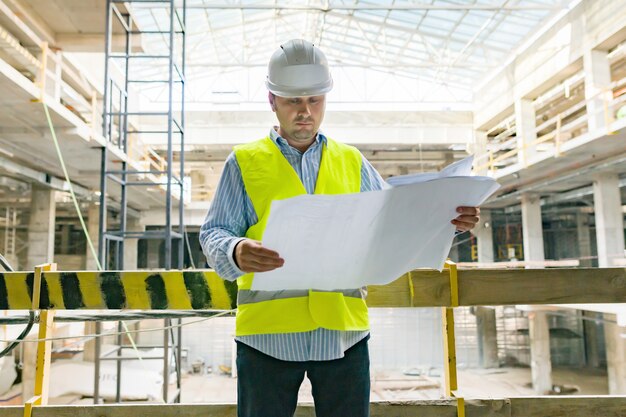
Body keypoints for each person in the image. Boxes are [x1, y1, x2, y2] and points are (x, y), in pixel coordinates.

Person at [199, 39, 480, 417]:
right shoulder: (244, 161)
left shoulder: (352, 161)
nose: (305, 112)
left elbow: (396, 223)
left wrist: (447, 218)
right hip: (266, 338)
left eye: (314, 100)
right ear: (272, 101)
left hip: (344, 335)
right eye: (293, 101)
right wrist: (234, 250)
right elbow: (214, 232)